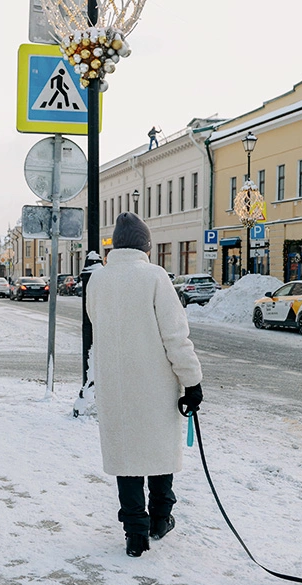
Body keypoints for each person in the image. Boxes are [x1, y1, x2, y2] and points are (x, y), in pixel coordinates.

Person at [86, 212, 204, 558]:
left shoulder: (98, 281)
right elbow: (175, 337)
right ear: (145, 245)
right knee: (159, 452)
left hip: (115, 386)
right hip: (156, 385)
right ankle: (160, 519)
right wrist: (192, 382)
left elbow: (99, 325)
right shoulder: (155, 277)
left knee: (127, 457)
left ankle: (135, 532)